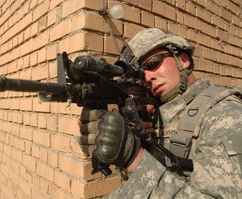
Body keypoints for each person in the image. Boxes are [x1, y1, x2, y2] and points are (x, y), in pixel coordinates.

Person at [78, 28, 242, 198]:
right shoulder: (157, 117)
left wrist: (133, 158)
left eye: (152, 64)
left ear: (183, 60)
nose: (147, 77)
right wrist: (122, 146)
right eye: (140, 75)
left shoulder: (224, 116)